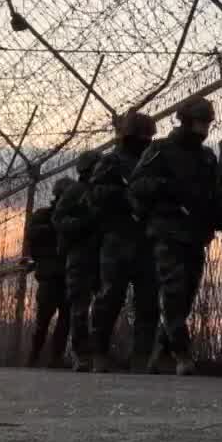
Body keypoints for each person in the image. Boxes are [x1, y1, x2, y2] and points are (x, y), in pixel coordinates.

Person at [129, 96, 222, 375]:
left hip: (195, 234)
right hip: (167, 230)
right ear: (186, 121)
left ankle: (161, 353)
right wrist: (168, 188)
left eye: (207, 123)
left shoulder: (207, 158)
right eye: (198, 123)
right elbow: (138, 185)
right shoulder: (161, 150)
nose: (203, 129)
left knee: (186, 295)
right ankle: (182, 354)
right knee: (174, 291)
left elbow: (216, 195)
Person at [87, 111, 161, 373]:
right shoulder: (111, 163)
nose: (144, 140)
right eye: (140, 136)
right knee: (110, 298)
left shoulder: (153, 160)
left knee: (148, 300)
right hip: (117, 237)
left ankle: (141, 357)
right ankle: (98, 353)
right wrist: (123, 195)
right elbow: (95, 195)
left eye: (148, 136)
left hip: (146, 238)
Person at [48, 150, 103, 372]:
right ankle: (82, 354)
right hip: (80, 254)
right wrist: (85, 223)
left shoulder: (102, 190)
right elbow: (58, 219)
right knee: (79, 306)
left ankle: (99, 351)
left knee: (102, 305)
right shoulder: (75, 192)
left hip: (102, 254)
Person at [18, 190, 70, 368]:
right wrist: (56, 226)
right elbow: (32, 234)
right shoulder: (44, 216)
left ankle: (56, 357)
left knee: (65, 319)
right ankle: (34, 356)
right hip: (49, 275)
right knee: (43, 320)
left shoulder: (68, 216)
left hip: (67, 275)